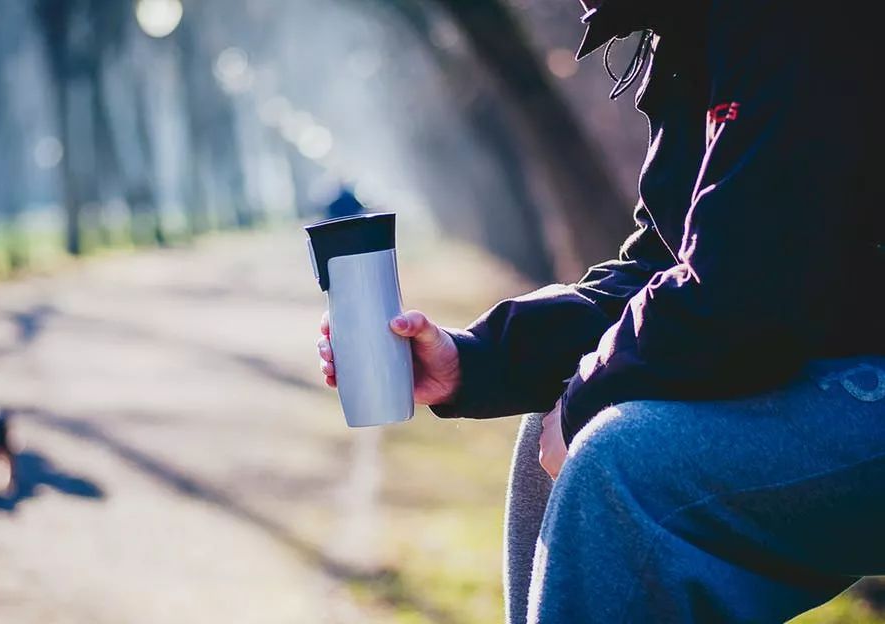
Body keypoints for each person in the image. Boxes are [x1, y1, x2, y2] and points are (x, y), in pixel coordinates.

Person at [316, 0, 884, 621]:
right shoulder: (690, 34)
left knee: (620, 464)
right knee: (559, 430)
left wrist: (589, 392)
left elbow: (745, 290)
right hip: (842, 363)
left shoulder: (787, 21)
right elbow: (664, 268)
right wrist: (475, 360)